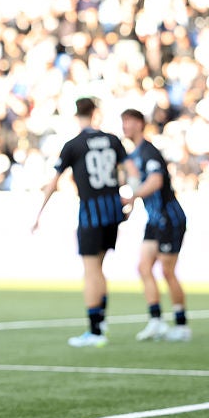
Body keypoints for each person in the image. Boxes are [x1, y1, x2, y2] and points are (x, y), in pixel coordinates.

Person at [32, 98, 129, 348]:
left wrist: (39, 214)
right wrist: (130, 202)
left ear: (77, 115)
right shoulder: (113, 140)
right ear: (95, 113)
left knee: (91, 270)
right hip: (113, 212)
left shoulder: (73, 145)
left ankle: (95, 330)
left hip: (90, 213)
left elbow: (53, 183)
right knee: (100, 266)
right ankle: (102, 321)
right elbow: (130, 171)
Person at [120, 108, 191, 342]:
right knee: (143, 267)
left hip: (169, 217)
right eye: (123, 122)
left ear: (140, 124)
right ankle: (156, 321)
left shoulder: (149, 151)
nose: (125, 126)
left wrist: (132, 197)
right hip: (154, 219)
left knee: (167, 271)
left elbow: (156, 181)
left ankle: (181, 326)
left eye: (129, 121)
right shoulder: (135, 155)